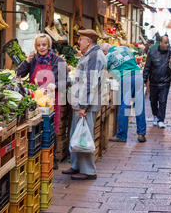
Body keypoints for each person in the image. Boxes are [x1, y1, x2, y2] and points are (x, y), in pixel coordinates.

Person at [16, 33, 69, 169]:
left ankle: (52, 159)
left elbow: (67, 81)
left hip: (51, 100)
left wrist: (55, 85)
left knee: (51, 127)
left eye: (44, 44)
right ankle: (35, 157)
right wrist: (27, 61)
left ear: (49, 45)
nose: (41, 47)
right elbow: (18, 74)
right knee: (35, 127)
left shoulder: (58, 61)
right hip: (34, 99)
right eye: (38, 45)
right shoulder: (33, 60)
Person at [64, 29, 107, 181]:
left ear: (88, 41)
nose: (78, 42)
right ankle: (76, 165)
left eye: (80, 39)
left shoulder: (94, 56)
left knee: (84, 136)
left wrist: (83, 105)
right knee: (77, 133)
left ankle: (88, 170)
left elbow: (90, 83)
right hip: (81, 103)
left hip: (87, 104)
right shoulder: (90, 55)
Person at [105, 44, 147, 143]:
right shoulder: (126, 49)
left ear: (105, 51)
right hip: (137, 76)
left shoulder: (109, 55)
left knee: (124, 105)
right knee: (139, 105)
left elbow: (103, 68)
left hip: (126, 78)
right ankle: (141, 133)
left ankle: (122, 135)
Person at [143, 36, 171, 128]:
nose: (167, 44)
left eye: (168, 43)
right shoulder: (152, 53)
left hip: (165, 82)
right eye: (165, 43)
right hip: (153, 81)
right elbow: (147, 67)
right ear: (160, 43)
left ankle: (161, 119)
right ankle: (155, 115)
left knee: (163, 101)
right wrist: (145, 80)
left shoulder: (170, 53)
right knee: (153, 101)